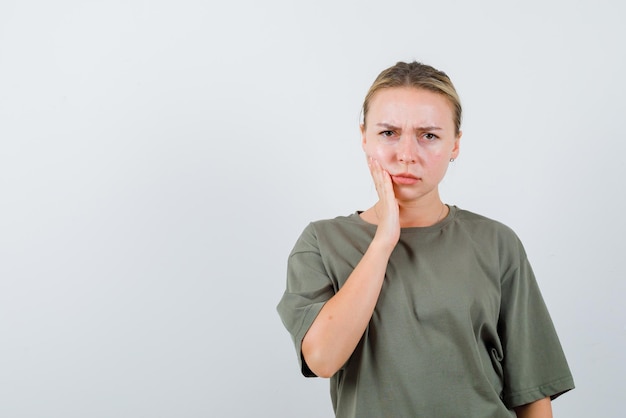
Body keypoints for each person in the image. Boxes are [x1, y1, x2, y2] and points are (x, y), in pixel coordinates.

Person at [277, 61, 574, 417]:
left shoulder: (496, 243)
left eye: (428, 135)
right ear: (364, 137)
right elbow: (322, 359)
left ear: (455, 145)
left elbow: (532, 392)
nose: (406, 154)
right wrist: (384, 239)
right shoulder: (323, 242)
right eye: (388, 133)